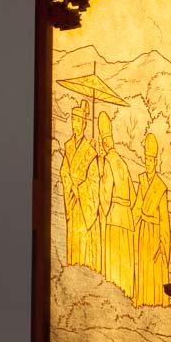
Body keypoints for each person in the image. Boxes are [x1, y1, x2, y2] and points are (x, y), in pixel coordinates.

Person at [97, 111, 136, 298]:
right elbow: (133, 197)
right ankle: (127, 296)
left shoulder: (108, 162)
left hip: (114, 219)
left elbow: (105, 192)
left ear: (104, 143)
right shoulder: (123, 163)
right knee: (125, 263)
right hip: (127, 220)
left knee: (114, 265)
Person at [60, 100, 100, 271]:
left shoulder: (90, 151)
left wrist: (81, 190)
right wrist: (72, 186)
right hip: (72, 200)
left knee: (83, 242)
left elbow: (94, 180)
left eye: (78, 121)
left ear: (84, 124)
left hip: (84, 205)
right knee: (73, 240)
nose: (75, 124)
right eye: (73, 120)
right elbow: (64, 171)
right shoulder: (68, 146)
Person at [132, 133, 170, 308]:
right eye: (146, 160)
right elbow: (137, 207)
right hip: (143, 232)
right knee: (142, 267)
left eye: (151, 160)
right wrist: (130, 224)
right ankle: (141, 302)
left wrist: (163, 243)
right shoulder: (142, 181)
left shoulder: (160, 188)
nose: (148, 164)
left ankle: (156, 304)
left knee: (154, 270)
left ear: (156, 162)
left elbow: (164, 219)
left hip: (155, 234)